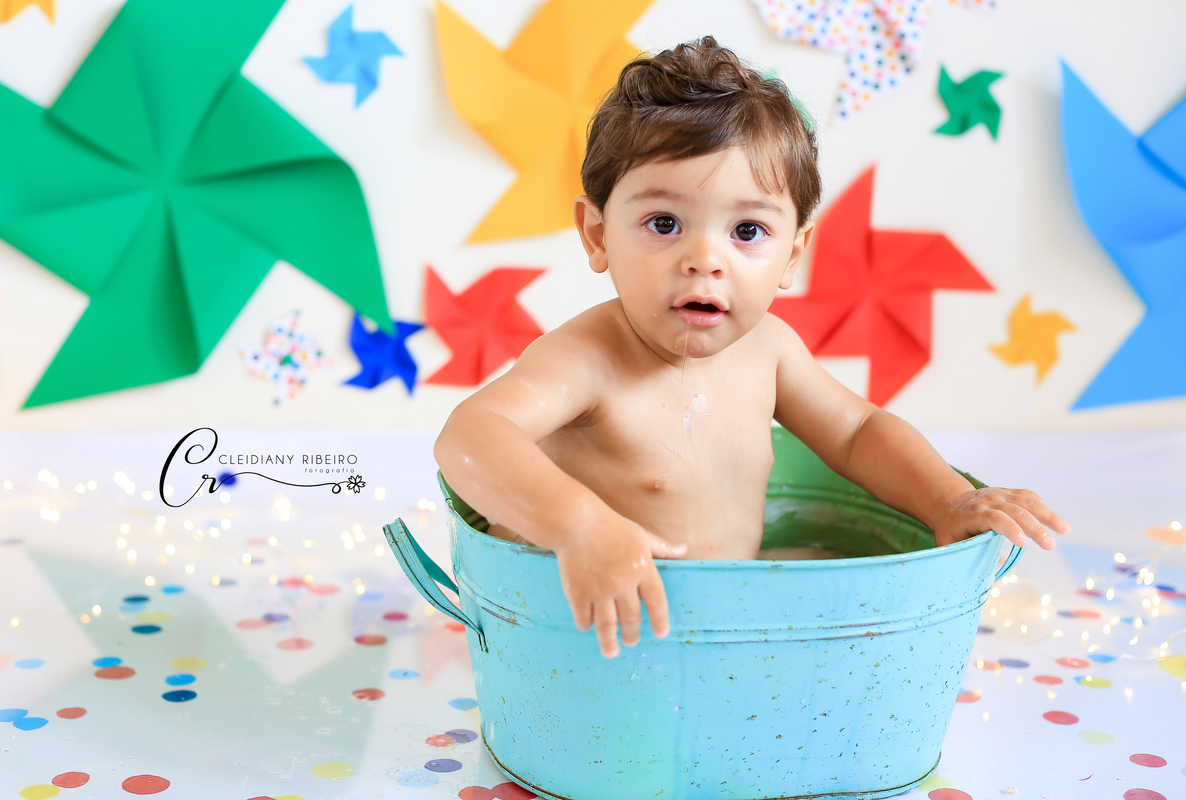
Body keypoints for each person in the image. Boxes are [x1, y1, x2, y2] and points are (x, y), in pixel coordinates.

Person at [434, 36, 1069, 659]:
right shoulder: (587, 358)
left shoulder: (771, 351)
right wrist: (577, 527)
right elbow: (468, 436)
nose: (705, 260)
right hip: (583, 627)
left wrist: (946, 498)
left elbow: (858, 432)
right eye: (664, 224)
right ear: (597, 235)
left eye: (747, 230)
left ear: (792, 253)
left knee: (824, 573)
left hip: (718, 618)